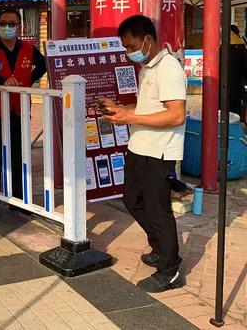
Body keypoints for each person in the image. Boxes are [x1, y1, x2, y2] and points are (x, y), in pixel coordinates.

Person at [100, 15, 186, 293]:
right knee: (132, 200)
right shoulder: (147, 68)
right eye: (125, 47)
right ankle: (160, 248)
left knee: (159, 211)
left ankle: (170, 270)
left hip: (158, 152)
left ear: (147, 39)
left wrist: (130, 118)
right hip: (139, 146)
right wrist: (121, 109)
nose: (129, 52)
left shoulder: (169, 68)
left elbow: (176, 115)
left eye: (131, 46)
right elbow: (146, 107)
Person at [0, 9, 47, 222]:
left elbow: (43, 65)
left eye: (11, 23)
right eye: (3, 23)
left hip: (20, 111)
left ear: (19, 27)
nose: (6, 27)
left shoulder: (28, 49)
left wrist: (28, 81)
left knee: (19, 155)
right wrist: (2, 81)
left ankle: (18, 199)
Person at [229, 25, 247, 119]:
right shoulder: (239, 51)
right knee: (234, 115)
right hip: (235, 88)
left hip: (218, 90)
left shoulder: (218, 50)